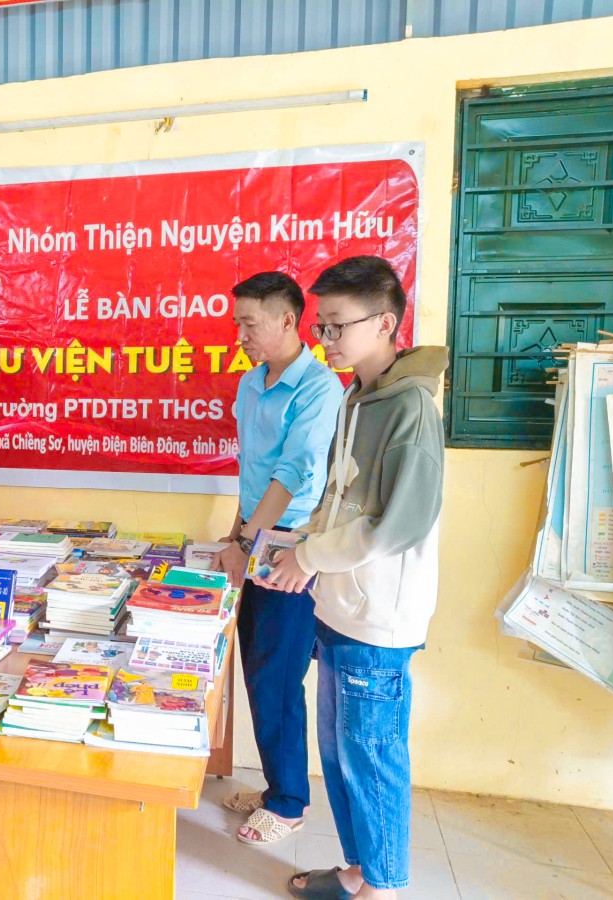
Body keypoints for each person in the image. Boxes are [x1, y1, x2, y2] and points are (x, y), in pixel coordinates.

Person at [259, 257, 446, 900]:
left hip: (378, 618)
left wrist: (310, 558)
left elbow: (400, 525)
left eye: (337, 325)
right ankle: (360, 869)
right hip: (338, 606)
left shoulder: (411, 409)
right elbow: (339, 501)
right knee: (340, 753)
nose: (326, 340)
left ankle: (383, 888)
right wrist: (298, 546)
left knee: (372, 756)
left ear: (385, 323)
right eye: (322, 325)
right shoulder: (357, 397)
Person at [214, 271, 341, 846]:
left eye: (249, 323)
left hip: (290, 548)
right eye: (237, 323)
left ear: (288, 320)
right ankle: (274, 789)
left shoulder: (320, 388)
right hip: (252, 535)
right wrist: (234, 535)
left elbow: (292, 475)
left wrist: (247, 544)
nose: (240, 335)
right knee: (259, 671)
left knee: (281, 676)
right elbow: (253, 472)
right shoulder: (250, 383)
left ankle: (289, 803)